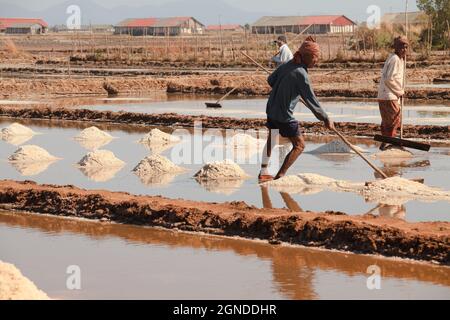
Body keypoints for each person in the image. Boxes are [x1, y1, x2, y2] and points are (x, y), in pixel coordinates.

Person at [258, 37, 335, 182]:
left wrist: (286, 88)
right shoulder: (301, 74)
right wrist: (325, 118)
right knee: (299, 145)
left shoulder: (287, 65)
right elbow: (312, 101)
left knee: (272, 139)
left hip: (271, 110)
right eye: (315, 57)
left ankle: (263, 172)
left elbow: (270, 80)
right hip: (283, 116)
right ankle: (280, 176)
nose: (316, 60)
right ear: (306, 57)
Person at [377, 36, 408, 150]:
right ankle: (391, 144)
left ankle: (385, 143)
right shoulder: (395, 59)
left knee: (387, 121)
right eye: (401, 47)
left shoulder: (395, 58)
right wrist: (399, 92)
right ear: (396, 48)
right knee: (394, 121)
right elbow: (389, 79)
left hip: (384, 95)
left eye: (406, 47)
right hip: (390, 95)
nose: (404, 49)